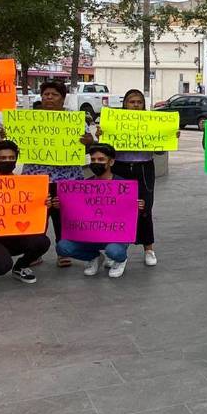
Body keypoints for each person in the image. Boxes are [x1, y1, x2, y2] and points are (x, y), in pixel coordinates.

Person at [18, 81, 92, 268]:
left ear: (63, 98)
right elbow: (16, 145)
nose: (49, 98)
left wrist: (89, 142)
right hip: (36, 178)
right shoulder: (29, 120)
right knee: (37, 217)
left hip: (67, 178)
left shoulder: (74, 121)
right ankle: (35, 252)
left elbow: (87, 146)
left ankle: (63, 251)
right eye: (46, 94)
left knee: (63, 217)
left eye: (54, 94)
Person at [53, 144, 143, 278]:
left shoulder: (124, 186)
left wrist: (138, 207)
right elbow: (76, 209)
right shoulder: (83, 185)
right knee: (63, 247)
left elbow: (130, 216)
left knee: (114, 251)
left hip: (115, 235)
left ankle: (120, 260)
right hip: (90, 234)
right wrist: (62, 205)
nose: (96, 163)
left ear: (111, 162)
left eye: (101, 160)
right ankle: (94, 257)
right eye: (93, 160)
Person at [0, 141, 51, 285]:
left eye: (11, 158)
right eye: (2, 158)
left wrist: (45, 204)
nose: (8, 161)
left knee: (42, 242)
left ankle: (21, 267)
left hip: (17, 235)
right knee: (0, 267)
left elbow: (33, 211)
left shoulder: (27, 185)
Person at [107, 89, 159, 266]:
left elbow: (160, 150)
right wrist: (102, 135)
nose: (136, 105)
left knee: (145, 208)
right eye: (132, 102)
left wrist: (169, 137)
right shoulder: (114, 121)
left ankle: (149, 249)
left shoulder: (152, 122)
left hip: (144, 168)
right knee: (118, 209)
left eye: (139, 102)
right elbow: (106, 148)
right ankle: (118, 249)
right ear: (125, 104)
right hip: (120, 166)